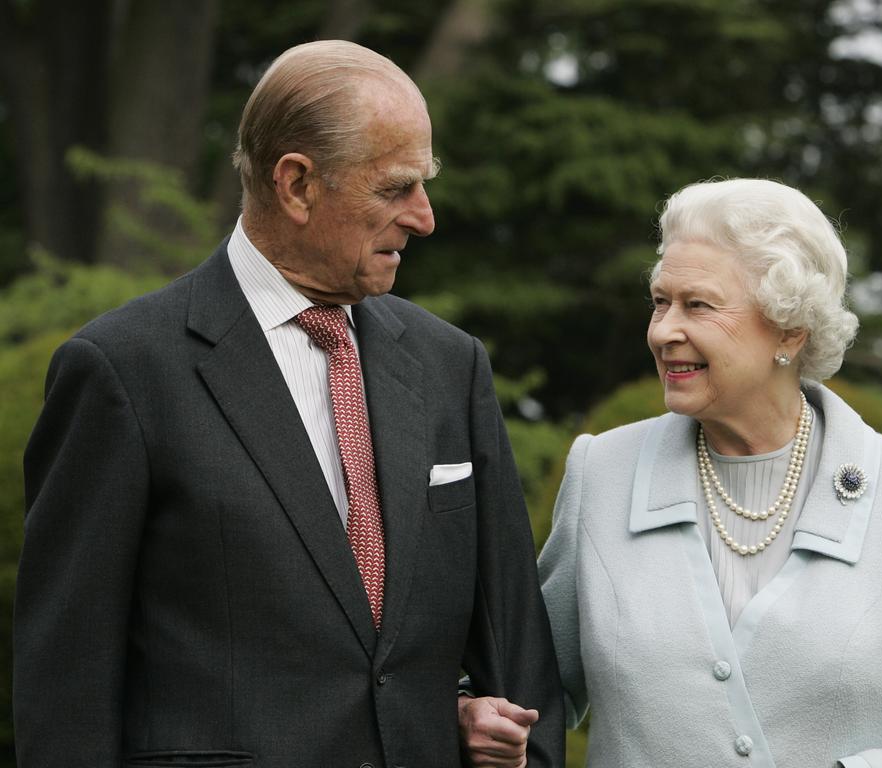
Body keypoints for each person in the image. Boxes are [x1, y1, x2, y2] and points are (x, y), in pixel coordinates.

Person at [14, 40, 563, 768]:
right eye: (396, 189)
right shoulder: (122, 371)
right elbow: (66, 690)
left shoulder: (450, 365)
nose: (424, 218)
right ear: (297, 185)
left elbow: (517, 657)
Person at [460, 178, 882, 767]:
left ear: (789, 329)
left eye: (697, 305)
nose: (662, 331)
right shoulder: (602, 473)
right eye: (660, 301)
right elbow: (529, 689)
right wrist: (480, 714)